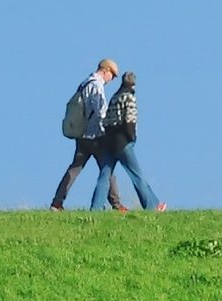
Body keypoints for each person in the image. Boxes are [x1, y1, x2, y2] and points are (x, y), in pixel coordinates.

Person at [92, 72, 166, 212]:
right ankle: (152, 205)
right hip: (123, 143)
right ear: (133, 84)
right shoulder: (129, 97)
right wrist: (131, 138)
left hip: (109, 142)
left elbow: (106, 121)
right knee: (136, 174)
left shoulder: (114, 97)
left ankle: (96, 207)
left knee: (104, 175)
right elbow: (129, 121)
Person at [51, 58, 118, 209]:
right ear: (106, 70)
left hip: (81, 135)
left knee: (74, 168)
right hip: (95, 136)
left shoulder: (85, 83)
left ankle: (57, 202)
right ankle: (117, 204)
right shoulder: (96, 86)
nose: (112, 79)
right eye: (112, 75)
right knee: (107, 169)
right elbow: (100, 112)